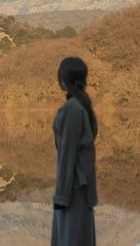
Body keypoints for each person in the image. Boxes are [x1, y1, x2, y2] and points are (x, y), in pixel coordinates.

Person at [51, 57, 99, 246]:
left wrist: (61, 197)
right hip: (80, 188)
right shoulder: (82, 105)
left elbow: (67, 155)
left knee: (70, 239)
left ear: (63, 80)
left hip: (73, 191)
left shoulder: (72, 109)